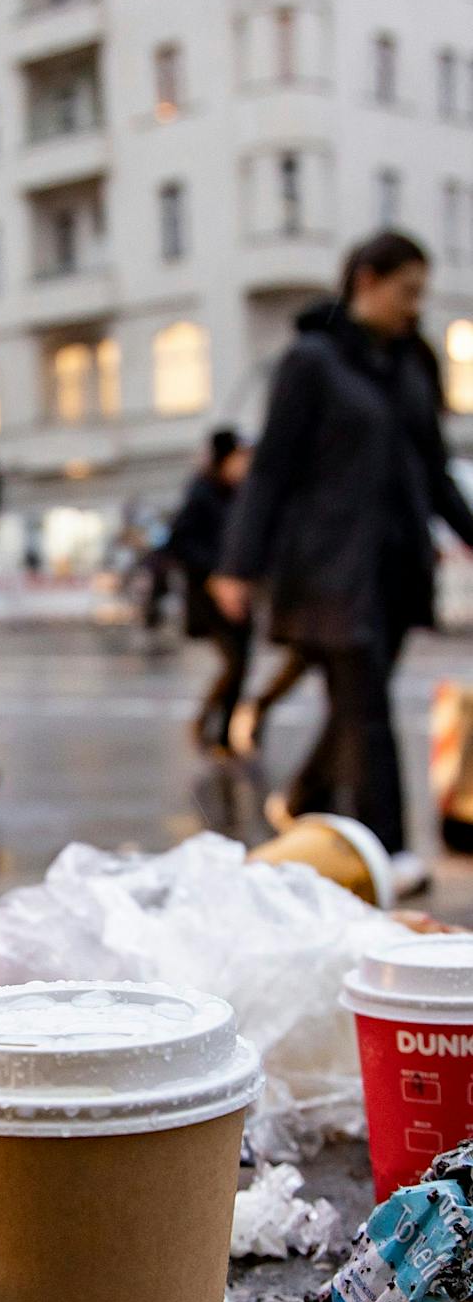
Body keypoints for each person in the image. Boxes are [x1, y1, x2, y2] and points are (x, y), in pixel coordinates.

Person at [213, 231, 473, 896]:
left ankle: (302, 805)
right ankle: (388, 848)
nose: (414, 307)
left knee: (351, 711)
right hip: (329, 568)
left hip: (396, 566)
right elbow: (270, 470)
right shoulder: (312, 361)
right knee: (369, 710)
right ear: (366, 281)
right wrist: (237, 566)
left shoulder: (411, 363)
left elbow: (435, 469)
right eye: (405, 292)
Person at [165, 428, 253, 754]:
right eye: (238, 458)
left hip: (238, 593)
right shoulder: (201, 493)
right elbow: (180, 542)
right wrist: (215, 575)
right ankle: (209, 724)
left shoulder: (239, 494)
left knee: (242, 663)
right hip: (208, 595)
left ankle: (223, 733)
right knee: (234, 662)